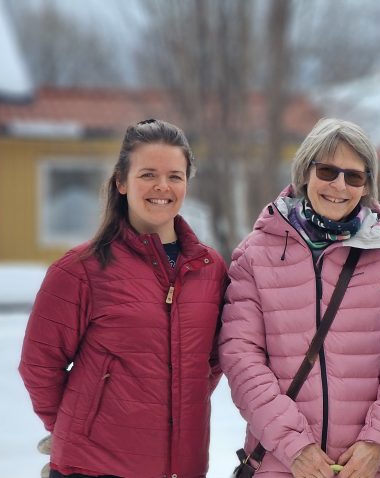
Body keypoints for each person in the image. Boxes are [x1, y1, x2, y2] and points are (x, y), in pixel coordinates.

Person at [19, 118, 228, 478]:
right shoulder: (80, 270)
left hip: (182, 467)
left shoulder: (210, 269)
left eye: (175, 176)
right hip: (93, 467)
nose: (162, 186)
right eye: (148, 174)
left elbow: (211, 361)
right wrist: (76, 428)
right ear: (121, 182)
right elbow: (39, 364)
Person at [220, 118, 380, 478]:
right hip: (283, 464)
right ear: (305, 172)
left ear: (367, 186)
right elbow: (241, 357)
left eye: (354, 176)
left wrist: (376, 442)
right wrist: (294, 446)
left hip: (371, 467)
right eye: (327, 171)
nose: (339, 186)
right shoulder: (256, 252)